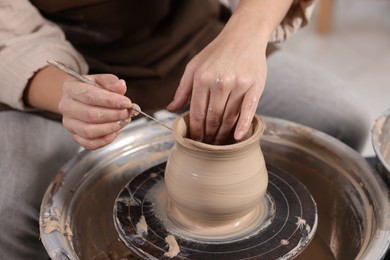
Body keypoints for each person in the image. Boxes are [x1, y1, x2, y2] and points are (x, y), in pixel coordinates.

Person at [0, 0, 368, 259]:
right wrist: (62, 92)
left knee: (339, 121)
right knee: (10, 197)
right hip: (57, 66)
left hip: (198, 43)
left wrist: (246, 32)